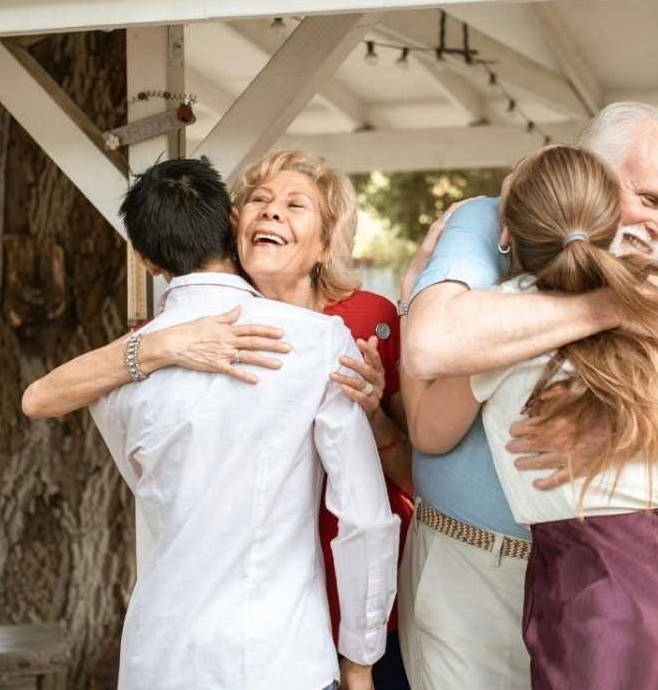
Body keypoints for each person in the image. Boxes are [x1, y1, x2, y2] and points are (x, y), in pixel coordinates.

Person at [395, 102, 658, 688]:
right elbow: (433, 345)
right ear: (587, 170)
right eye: (649, 199)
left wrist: (615, 432)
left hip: (603, 595)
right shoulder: (489, 219)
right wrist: (607, 306)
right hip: (478, 571)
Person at [21, 150, 414, 688]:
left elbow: (144, 480)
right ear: (233, 225)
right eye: (260, 200)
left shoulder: (114, 374)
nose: (273, 213)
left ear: (144, 259)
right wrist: (360, 663)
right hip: (282, 654)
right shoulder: (319, 345)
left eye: (294, 204)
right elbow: (365, 521)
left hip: (161, 656)